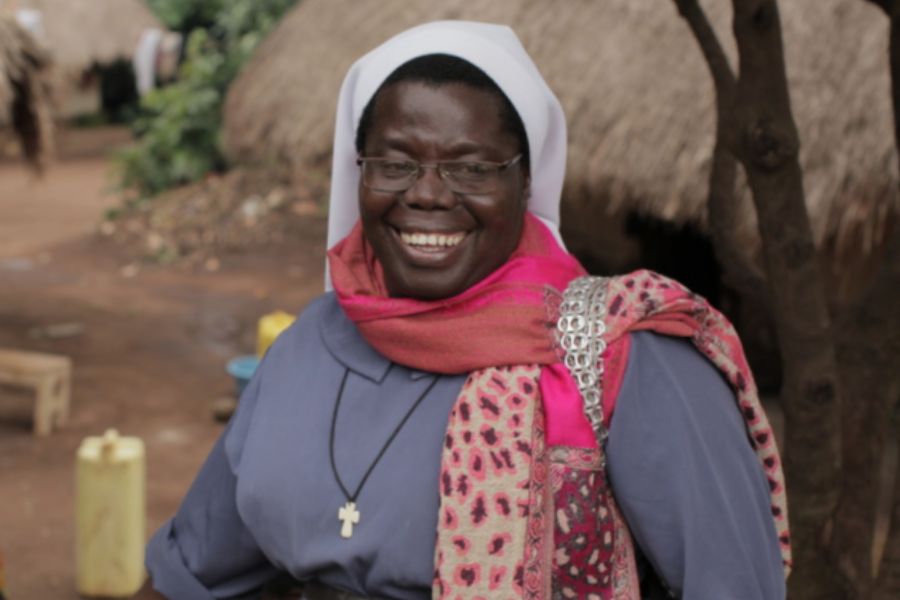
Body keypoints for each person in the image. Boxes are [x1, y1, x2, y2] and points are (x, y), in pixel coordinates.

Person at [136, 20, 790, 600]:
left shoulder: (622, 354)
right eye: (394, 162)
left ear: (525, 181)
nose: (425, 194)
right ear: (357, 172)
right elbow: (191, 566)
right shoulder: (307, 348)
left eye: (471, 168)